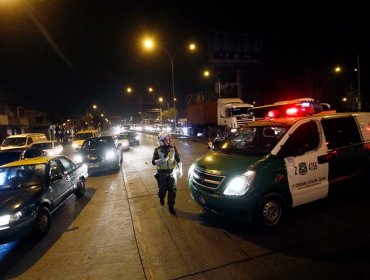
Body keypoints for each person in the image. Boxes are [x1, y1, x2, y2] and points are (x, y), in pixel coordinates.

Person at [152, 131, 182, 215]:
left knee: (172, 190)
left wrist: (180, 170)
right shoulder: (157, 150)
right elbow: (153, 162)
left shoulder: (173, 148)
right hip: (162, 174)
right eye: (166, 139)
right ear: (161, 140)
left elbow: (178, 159)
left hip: (172, 173)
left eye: (169, 139)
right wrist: (162, 160)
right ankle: (161, 197)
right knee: (162, 190)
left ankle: (171, 206)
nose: (168, 140)